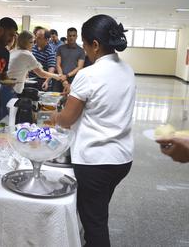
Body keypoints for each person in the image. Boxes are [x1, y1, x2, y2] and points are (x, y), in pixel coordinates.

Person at [50, 14, 135, 247]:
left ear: (95, 45)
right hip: (121, 159)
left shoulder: (88, 74)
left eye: (85, 45)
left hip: (96, 161)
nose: (84, 50)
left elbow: (66, 120)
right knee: (97, 211)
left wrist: (53, 116)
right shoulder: (127, 70)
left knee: (94, 224)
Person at [7, 30, 64, 95]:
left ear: (46, 39)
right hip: (13, 89)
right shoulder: (26, 53)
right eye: (31, 42)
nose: (34, 43)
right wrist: (56, 76)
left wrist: (47, 81)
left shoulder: (13, 51)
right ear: (24, 42)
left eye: (38, 38)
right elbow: (41, 73)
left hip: (7, 86)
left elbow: (51, 67)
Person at [54, 27, 85, 92]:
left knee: (69, 99)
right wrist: (63, 78)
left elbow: (80, 67)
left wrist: (66, 76)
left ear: (76, 36)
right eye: (70, 35)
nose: (71, 37)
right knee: (56, 99)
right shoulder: (60, 48)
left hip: (73, 81)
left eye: (73, 35)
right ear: (67, 36)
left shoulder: (81, 51)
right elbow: (57, 64)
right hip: (59, 78)